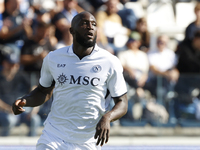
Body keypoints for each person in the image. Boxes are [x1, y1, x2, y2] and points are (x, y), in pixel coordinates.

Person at [12, 11, 128, 149]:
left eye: (94, 24)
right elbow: (43, 92)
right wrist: (25, 101)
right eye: (84, 23)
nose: (90, 27)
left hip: (87, 140)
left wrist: (107, 117)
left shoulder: (110, 61)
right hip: (54, 135)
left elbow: (122, 102)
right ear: (72, 30)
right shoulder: (54, 58)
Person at [0, 46, 41, 136]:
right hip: (3, 112)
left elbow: (34, 88)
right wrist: (7, 109)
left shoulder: (20, 75)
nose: (14, 67)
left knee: (35, 119)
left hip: (19, 110)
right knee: (10, 120)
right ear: (4, 63)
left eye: (15, 64)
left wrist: (35, 107)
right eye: (11, 64)